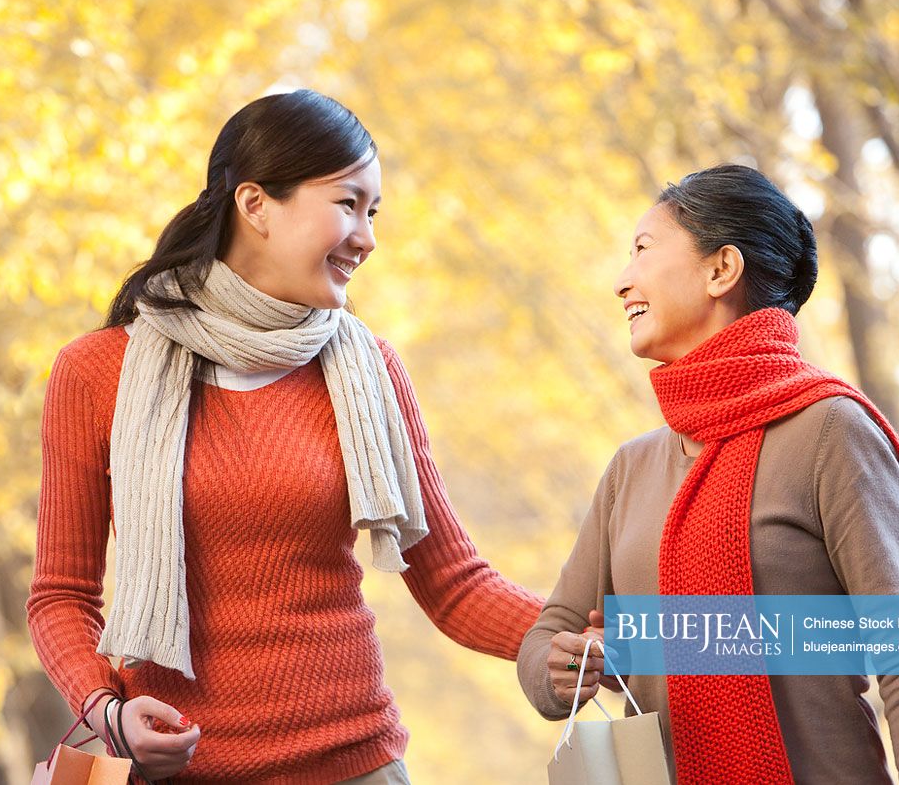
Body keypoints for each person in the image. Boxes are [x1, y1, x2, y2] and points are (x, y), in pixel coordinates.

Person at [27, 89, 542, 783]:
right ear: (256, 205)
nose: (367, 236)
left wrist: (572, 633)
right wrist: (106, 711)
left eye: (373, 211)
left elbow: (452, 584)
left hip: (354, 765)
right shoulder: (97, 372)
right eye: (347, 204)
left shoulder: (368, 370)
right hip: (181, 771)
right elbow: (60, 595)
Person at [516, 164, 899, 784]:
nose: (622, 281)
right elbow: (547, 635)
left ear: (722, 269)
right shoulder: (632, 469)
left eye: (642, 249)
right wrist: (557, 670)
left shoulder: (831, 432)